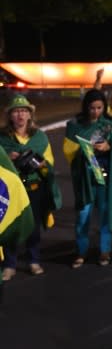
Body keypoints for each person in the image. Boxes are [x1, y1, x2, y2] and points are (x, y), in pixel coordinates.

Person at [0, 95, 60, 279]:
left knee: (33, 227)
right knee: (11, 225)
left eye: (24, 111)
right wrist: (7, 159)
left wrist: (38, 164)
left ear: (30, 115)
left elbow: (49, 164)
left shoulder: (39, 138)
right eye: (16, 111)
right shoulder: (2, 138)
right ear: (10, 115)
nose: (20, 115)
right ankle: (9, 264)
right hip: (12, 191)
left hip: (34, 188)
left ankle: (34, 260)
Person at [63, 89, 112, 268]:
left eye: (99, 107)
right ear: (86, 107)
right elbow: (68, 150)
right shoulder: (75, 125)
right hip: (84, 176)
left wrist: (109, 147)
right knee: (82, 215)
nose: (95, 111)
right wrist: (83, 150)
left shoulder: (111, 124)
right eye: (92, 108)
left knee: (104, 214)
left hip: (104, 176)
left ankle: (105, 251)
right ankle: (81, 252)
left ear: (104, 107)